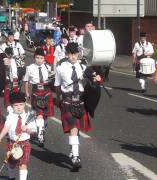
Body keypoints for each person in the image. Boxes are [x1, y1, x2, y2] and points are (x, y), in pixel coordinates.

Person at [54, 42, 103, 171]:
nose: (74, 57)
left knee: (75, 130)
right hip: (67, 100)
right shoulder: (60, 68)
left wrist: (97, 78)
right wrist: (59, 100)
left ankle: (72, 150)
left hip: (81, 100)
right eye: (71, 54)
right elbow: (58, 86)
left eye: (75, 54)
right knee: (74, 127)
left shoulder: (84, 66)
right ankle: (76, 157)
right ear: (66, 54)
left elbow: (92, 80)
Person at [0, 92, 37, 180]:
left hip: (25, 143)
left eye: (21, 104)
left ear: (25, 104)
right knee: (11, 164)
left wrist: (27, 129)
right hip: (12, 143)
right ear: (12, 106)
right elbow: (6, 127)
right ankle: (11, 177)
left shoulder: (29, 116)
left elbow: (33, 132)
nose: (18, 107)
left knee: (23, 165)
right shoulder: (10, 116)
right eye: (16, 105)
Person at [23, 48, 54, 147]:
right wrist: (27, 93)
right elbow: (26, 81)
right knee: (39, 113)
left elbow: (52, 79)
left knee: (45, 115)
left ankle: (42, 129)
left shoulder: (48, 67)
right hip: (36, 91)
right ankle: (40, 135)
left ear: (44, 58)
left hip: (47, 90)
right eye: (37, 58)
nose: (39, 60)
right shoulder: (30, 67)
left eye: (41, 58)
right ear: (34, 58)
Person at [0, 47, 19, 112]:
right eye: (8, 54)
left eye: (11, 54)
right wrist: (4, 59)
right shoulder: (2, 59)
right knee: (7, 92)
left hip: (14, 79)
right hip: (7, 79)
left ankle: (15, 105)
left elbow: (17, 69)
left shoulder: (14, 60)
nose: (10, 55)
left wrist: (16, 78)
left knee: (15, 93)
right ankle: (8, 107)